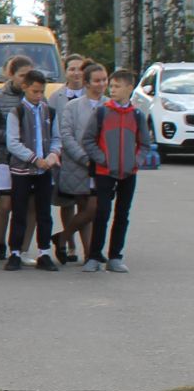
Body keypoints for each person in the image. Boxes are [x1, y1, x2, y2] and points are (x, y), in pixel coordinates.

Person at [81, 68, 151, 273]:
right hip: (104, 172)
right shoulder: (102, 112)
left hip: (128, 173)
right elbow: (88, 139)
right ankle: (94, 256)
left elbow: (144, 144)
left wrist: (135, 161)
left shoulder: (137, 115)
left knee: (122, 214)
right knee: (102, 212)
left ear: (129, 88)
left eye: (117, 86)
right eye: (111, 86)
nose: (112, 90)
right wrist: (103, 159)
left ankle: (115, 256)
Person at [2, 69, 61, 272]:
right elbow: (13, 143)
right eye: (35, 91)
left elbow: (56, 138)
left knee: (44, 212)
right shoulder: (16, 112)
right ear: (25, 87)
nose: (38, 95)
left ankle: (44, 252)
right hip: (22, 171)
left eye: (41, 91)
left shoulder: (49, 111)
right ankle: (15, 252)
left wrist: (53, 154)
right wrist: (35, 159)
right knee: (19, 212)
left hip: (44, 171)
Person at [0, 54, 34, 264]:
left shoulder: (36, 96)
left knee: (30, 205)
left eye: (29, 76)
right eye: (22, 75)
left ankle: (22, 249)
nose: (25, 80)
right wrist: (12, 138)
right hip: (5, 158)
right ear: (12, 75)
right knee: (4, 204)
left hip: (31, 159)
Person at [55, 62, 108, 261]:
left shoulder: (109, 105)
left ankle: (63, 237)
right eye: (96, 80)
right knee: (86, 208)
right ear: (86, 83)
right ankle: (89, 253)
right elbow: (66, 135)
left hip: (102, 166)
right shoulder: (73, 107)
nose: (101, 84)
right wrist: (84, 158)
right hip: (78, 165)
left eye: (104, 80)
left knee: (93, 208)